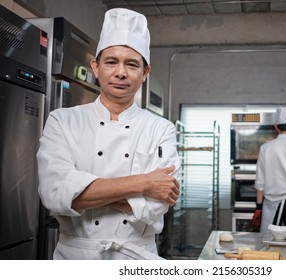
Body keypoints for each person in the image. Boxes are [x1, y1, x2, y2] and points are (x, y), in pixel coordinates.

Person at [36, 8, 180, 260]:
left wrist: (83, 192)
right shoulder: (62, 120)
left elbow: (157, 206)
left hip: (136, 258)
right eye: (111, 61)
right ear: (96, 66)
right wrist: (144, 183)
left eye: (132, 64)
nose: (121, 72)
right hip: (75, 260)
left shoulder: (161, 128)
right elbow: (54, 194)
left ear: (145, 73)